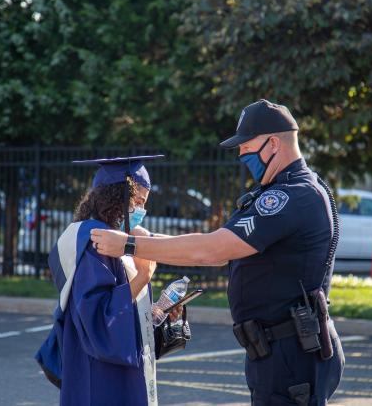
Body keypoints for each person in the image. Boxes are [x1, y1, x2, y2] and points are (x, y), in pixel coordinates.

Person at [91, 99, 345, 406]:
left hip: (290, 352)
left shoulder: (289, 197)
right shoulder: (289, 189)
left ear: (273, 143)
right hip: (282, 348)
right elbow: (219, 244)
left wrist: (129, 245)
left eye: (246, 147)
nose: (241, 155)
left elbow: (211, 251)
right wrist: (152, 239)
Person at [37, 155, 176, 406]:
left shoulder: (109, 239)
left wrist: (156, 313)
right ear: (118, 196)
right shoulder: (94, 243)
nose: (142, 211)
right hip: (100, 372)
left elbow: (122, 303)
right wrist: (144, 275)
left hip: (108, 361)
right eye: (138, 201)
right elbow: (99, 316)